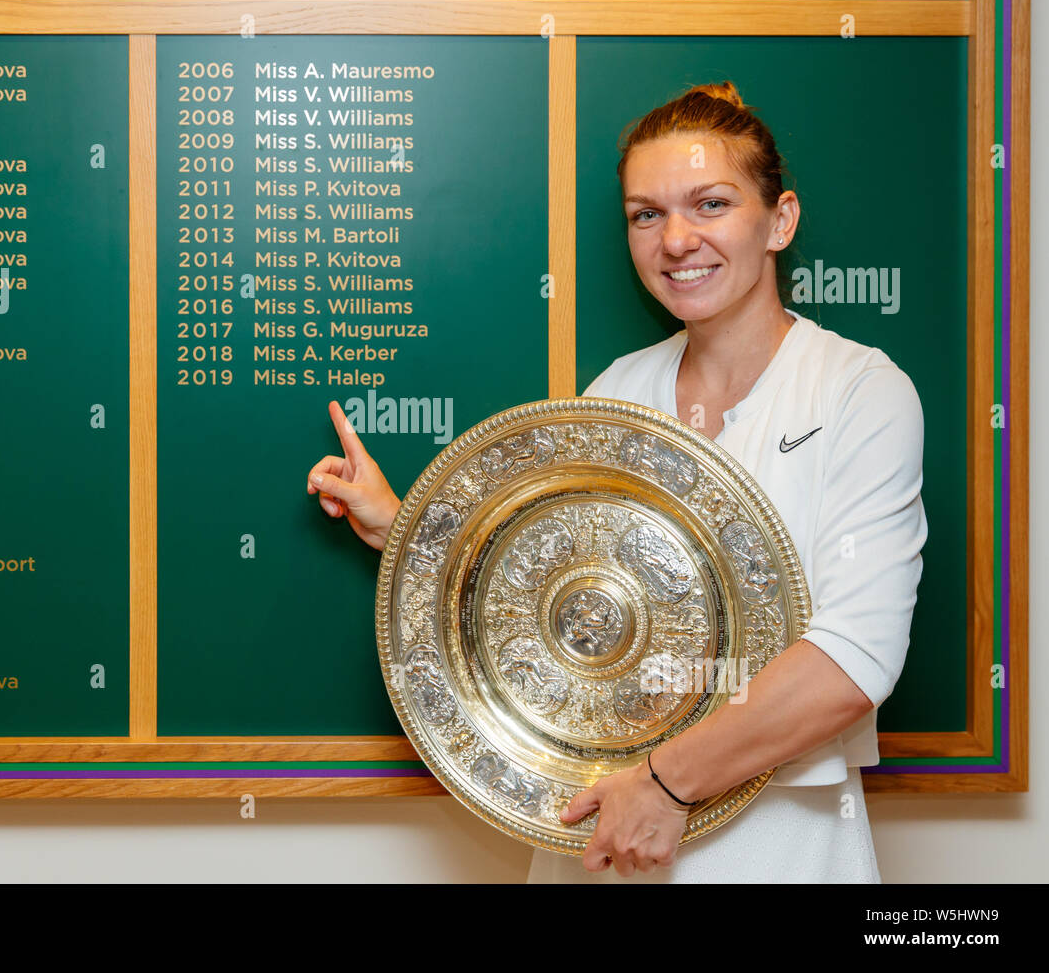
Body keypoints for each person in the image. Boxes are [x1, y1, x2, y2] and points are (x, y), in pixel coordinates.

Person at [305, 81, 927, 884]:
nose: (677, 240)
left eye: (710, 204)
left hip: (782, 839)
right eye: (646, 215)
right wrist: (406, 530)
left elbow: (854, 658)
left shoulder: (858, 391)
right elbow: (557, 604)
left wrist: (667, 784)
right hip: (598, 832)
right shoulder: (618, 393)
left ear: (780, 220)